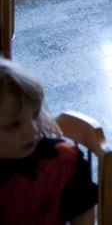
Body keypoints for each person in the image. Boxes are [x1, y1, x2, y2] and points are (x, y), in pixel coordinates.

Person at [0, 59, 98, 224]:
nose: (33, 131)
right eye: (14, 125)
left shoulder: (64, 162)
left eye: (36, 114)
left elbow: (83, 214)